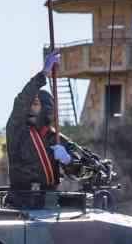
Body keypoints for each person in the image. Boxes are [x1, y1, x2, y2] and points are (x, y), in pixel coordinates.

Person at [6, 53, 79, 191]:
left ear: (46, 109)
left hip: (50, 203)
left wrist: (68, 160)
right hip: (21, 200)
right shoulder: (17, 129)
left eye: (34, 103)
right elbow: (22, 100)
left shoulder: (56, 139)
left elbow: (80, 172)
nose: (28, 107)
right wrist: (44, 73)